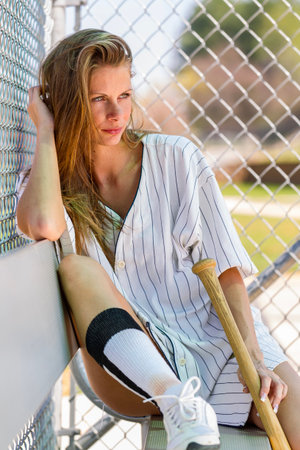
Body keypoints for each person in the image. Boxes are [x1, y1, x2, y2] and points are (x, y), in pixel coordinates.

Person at [16, 29, 300, 450]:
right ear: (68, 104)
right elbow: (42, 224)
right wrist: (44, 131)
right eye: (98, 100)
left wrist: (254, 360)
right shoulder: (51, 181)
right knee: (78, 267)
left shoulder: (177, 157)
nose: (117, 113)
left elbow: (226, 269)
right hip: (134, 368)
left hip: (220, 344)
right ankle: (178, 402)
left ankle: (196, 403)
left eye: (125, 95)